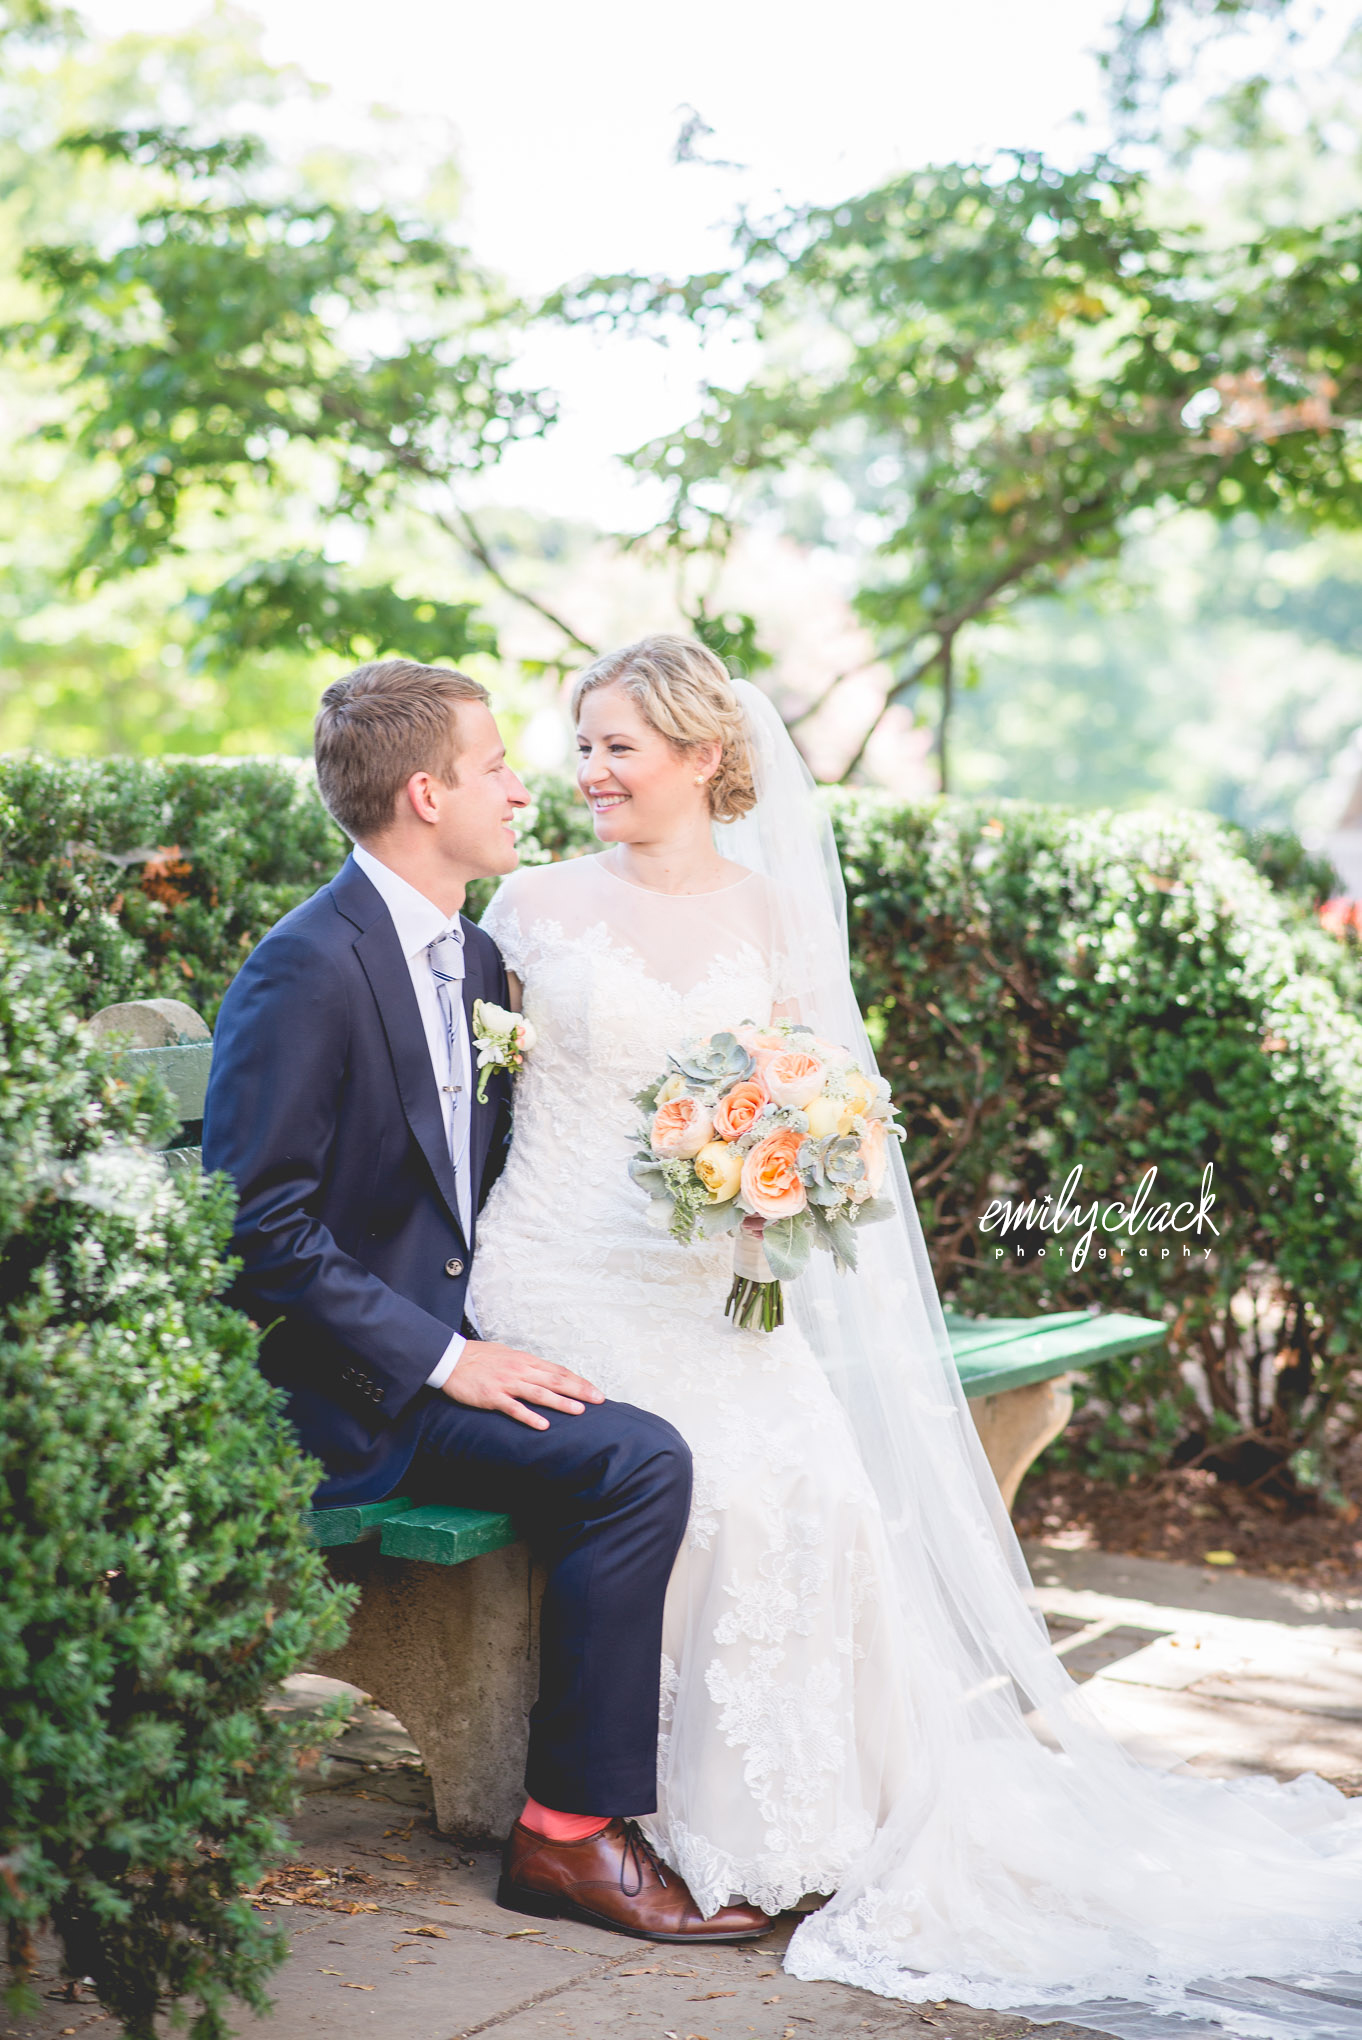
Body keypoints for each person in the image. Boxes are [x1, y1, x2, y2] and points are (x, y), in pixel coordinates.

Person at [470, 633, 1362, 2040]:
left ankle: (815, 1824)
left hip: (707, 1276)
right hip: (556, 1271)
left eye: (618, 748)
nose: (587, 773)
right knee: (718, 1492)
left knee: (818, 1486)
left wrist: (781, 1183)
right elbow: (472, 1107)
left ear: (703, 757)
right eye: (578, 746)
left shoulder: (764, 916)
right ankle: (650, 1828)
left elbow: (817, 1099)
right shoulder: (524, 907)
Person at [202, 656, 772, 1946]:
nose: (532, 787)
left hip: (476, 1323)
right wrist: (443, 1361)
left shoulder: (472, 948)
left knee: (641, 1440)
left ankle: (580, 1823)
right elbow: (254, 1228)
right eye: (501, 765)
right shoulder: (310, 965)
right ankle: (568, 1836)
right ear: (424, 794)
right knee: (638, 1461)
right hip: (345, 1390)